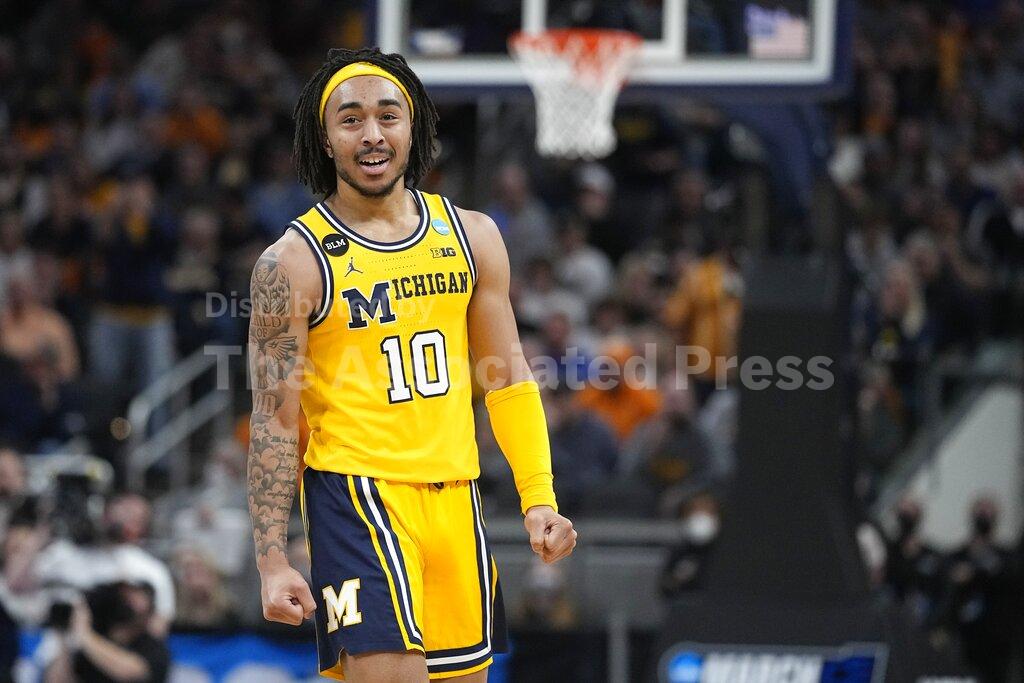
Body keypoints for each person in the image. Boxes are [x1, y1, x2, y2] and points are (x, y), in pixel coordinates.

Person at [247, 47, 577, 682]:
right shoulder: (291, 262)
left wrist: (539, 497)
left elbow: (507, 378)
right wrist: (271, 559)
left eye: (387, 115)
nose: (371, 134)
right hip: (355, 496)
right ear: (326, 139)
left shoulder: (473, 236)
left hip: (457, 497)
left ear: (413, 125)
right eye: (351, 119)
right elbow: (274, 421)